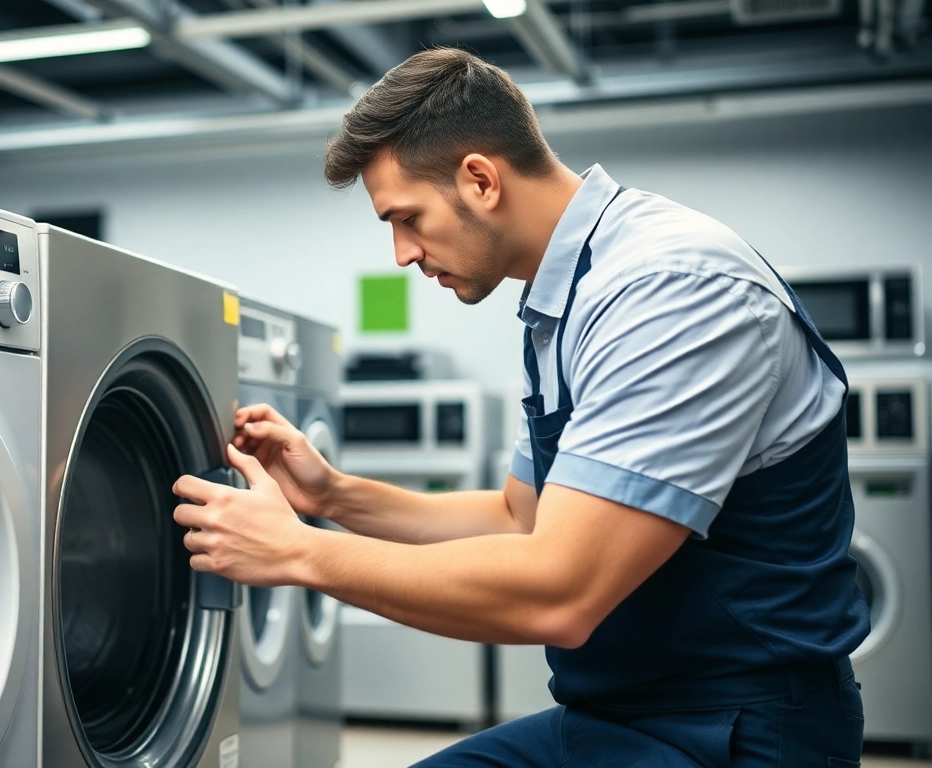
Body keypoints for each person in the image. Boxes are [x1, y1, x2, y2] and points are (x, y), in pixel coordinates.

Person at [172, 47, 869, 766]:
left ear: (480, 179)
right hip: (618, 714)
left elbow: (559, 592)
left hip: (738, 729)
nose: (402, 254)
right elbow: (519, 517)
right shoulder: (563, 301)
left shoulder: (670, 288)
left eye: (407, 218)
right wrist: (334, 495)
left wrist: (298, 551)